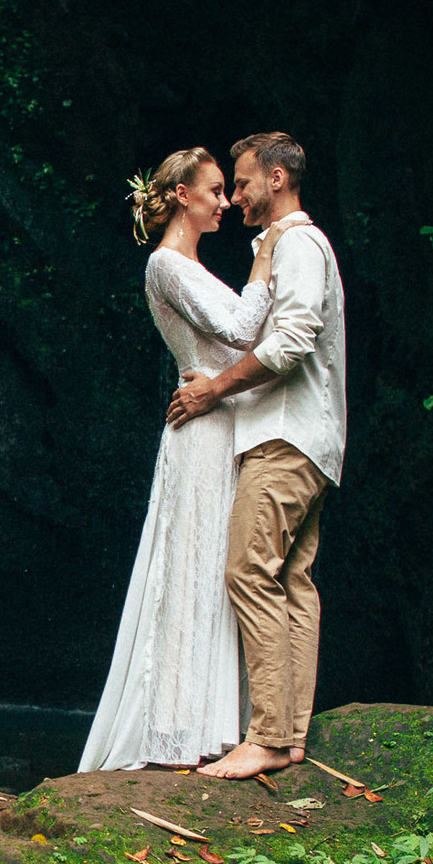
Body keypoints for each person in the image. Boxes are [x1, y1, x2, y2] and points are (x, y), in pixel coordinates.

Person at [78, 147, 272, 771]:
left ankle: (214, 724)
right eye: (215, 190)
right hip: (203, 430)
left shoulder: (189, 266)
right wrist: (267, 257)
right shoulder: (166, 264)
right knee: (191, 569)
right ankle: (176, 730)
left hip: (222, 422)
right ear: (183, 195)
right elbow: (241, 329)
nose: (226, 202)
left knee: (218, 567)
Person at [167, 131, 347, 779]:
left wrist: (216, 387)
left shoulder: (297, 244)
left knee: (248, 570)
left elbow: (292, 340)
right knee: (292, 580)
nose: (235, 196)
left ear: (276, 178)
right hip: (312, 439)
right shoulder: (296, 245)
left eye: (241, 183)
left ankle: (268, 735)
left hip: (284, 436)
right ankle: (291, 735)